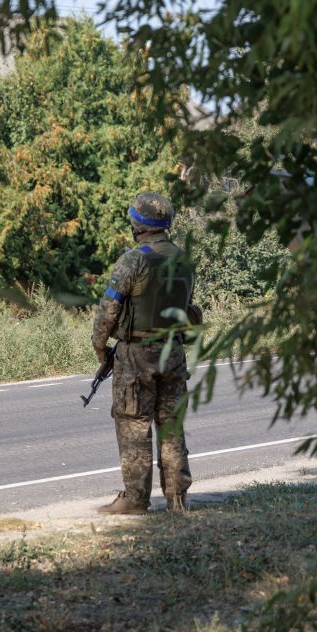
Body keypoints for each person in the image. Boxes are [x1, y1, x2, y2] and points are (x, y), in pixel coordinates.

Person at [92, 191, 195, 514]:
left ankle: (135, 500)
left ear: (138, 223)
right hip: (173, 353)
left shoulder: (133, 260)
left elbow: (108, 311)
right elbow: (188, 308)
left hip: (136, 354)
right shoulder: (184, 260)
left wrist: (101, 349)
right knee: (171, 426)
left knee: (134, 424)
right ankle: (177, 498)